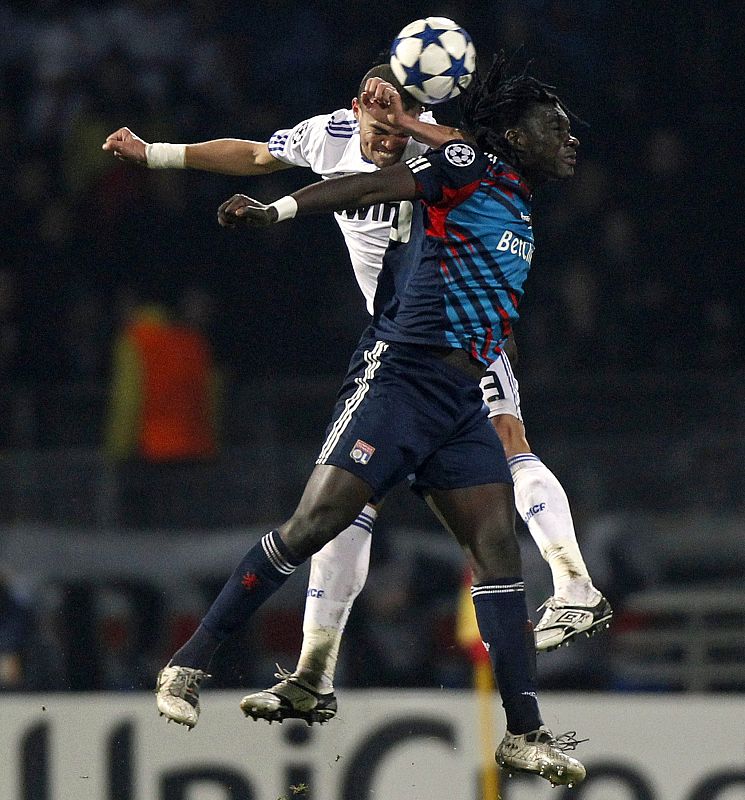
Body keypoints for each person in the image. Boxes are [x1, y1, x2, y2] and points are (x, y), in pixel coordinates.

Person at [103, 62, 609, 721]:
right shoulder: (326, 136)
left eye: (404, 123)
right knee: (345, 505)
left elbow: (490, 147)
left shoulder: (438, 149)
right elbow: (254, 153)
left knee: (507, 443)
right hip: (396, 345)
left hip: (459, 334)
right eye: (381, 121)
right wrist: (156, 154)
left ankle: (571, 582)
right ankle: (314, 670)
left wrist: (410, 128)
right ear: (356, 110)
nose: (390, 139)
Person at [104, 286, 222, 529]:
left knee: (146, 539)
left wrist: (118, 449)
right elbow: (210, 399)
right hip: (195, 451)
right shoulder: (193, 341)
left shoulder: (135, 339)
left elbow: (128, 399)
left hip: (148, 451)